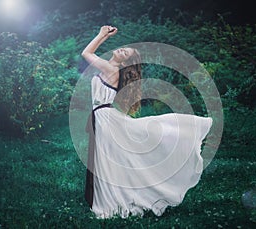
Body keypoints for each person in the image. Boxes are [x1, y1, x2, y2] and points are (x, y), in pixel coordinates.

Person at [81, 25, 213, 219]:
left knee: (112, 161)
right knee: (113, 162)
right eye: (124, 48)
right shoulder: (112, 68)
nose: (122, 50)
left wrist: (101, 35)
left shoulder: (111, 69)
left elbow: (86, 53)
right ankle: (114, 196)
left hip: (105, 120)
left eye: (125, 53)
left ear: (125, 61)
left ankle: (116, 199)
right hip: (104, 119)